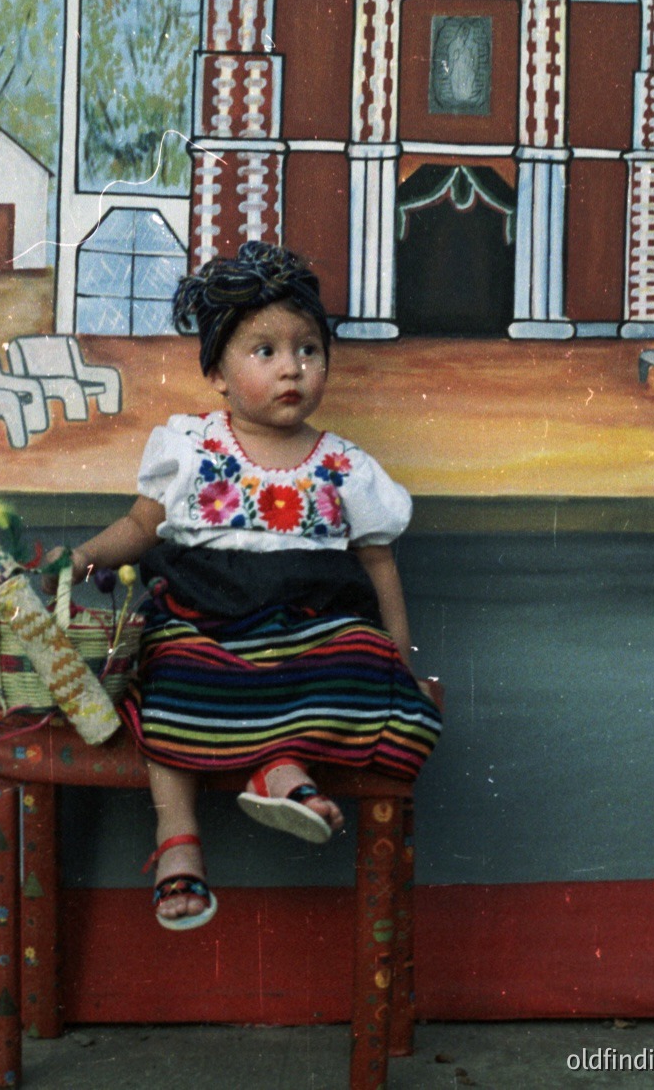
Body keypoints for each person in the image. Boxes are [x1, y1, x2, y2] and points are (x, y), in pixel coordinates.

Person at [43, 241, 441, 932]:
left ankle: (282, 770)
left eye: (308, 349)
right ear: (218, 374)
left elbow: (377, 563)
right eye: (264, 350)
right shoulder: (192, 447)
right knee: (166, 673)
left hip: (308, 625)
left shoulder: (345, 464)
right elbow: (142, 523)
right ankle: (177, 838)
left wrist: (397, 651)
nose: (292, 366)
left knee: (357, 656)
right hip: (206, 620)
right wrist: (81, 555)